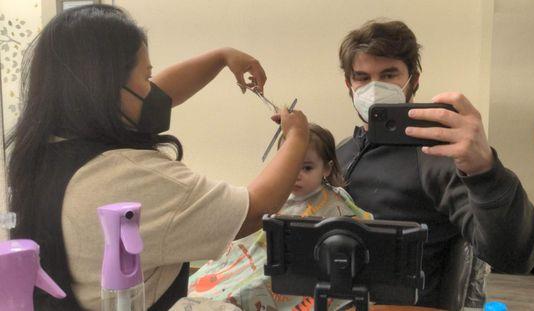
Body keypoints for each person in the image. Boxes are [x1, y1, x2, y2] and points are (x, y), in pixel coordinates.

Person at [8, 5, 310, 310]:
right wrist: (298, 137)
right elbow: (254, 211)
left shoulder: (42, 151)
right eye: (146, 76)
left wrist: (222, 57)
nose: (153, 90)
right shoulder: (125, 176)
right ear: (109, 88)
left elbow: (152, 98)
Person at [335, 20, 534, 308]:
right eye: (362, 77)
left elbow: (515, 256)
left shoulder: (436, 157)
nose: (374, 87)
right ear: (349, 84)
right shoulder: (342, 151)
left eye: (389, 74)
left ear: (413, 80)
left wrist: (485, 171)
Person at [187, 123, 372, 311]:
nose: (296, 175)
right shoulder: (273, 196)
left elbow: (364, 237)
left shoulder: (335, 202)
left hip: (289, 274)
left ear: (326, 168)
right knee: (196, 293)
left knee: (238, 296)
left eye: (306, 168)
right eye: (290, 166)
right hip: (246, 264)